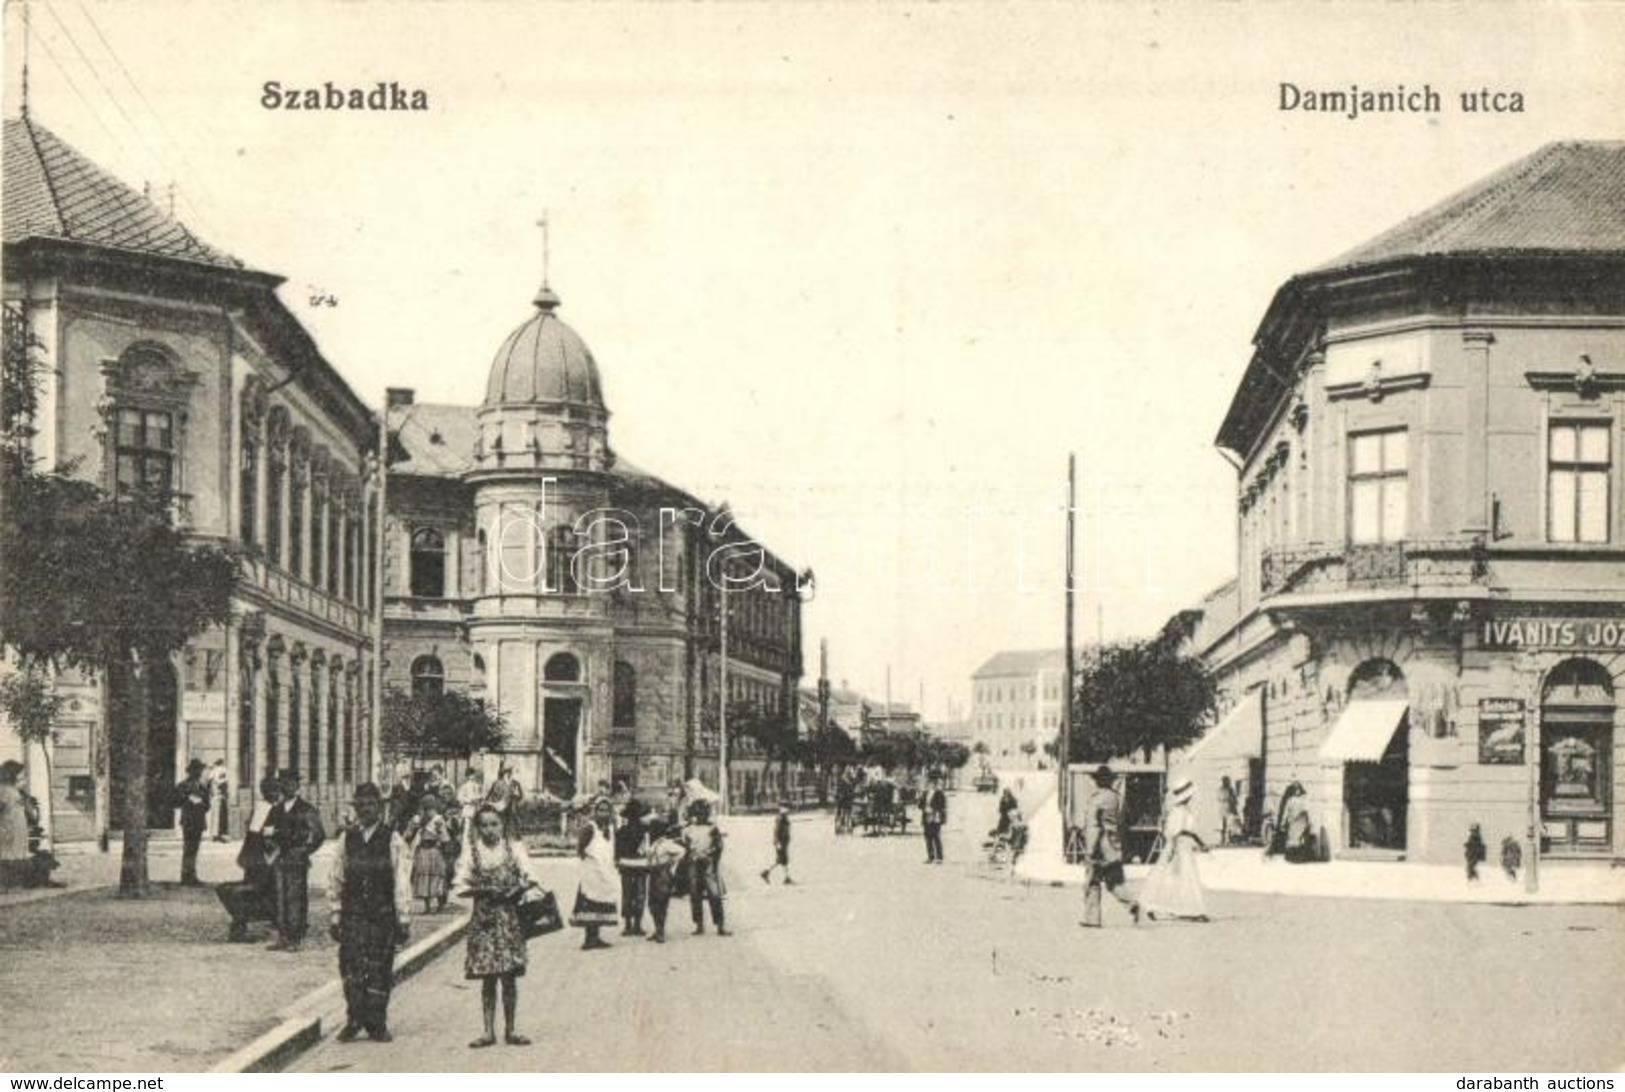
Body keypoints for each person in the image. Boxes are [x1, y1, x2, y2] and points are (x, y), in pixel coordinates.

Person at [327, 782, 412, 1043]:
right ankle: (354, 1019)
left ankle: (376, 1022)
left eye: (371, 804)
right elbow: (336, 877)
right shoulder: (347, 839)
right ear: (356, 808)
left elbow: (401, 878)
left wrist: (403, 915)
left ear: (380, 807)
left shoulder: (392, 838)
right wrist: (335, 912)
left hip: (382, 914)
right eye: (361, 805)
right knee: (351, 965)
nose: (366, 809)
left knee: (379, 966)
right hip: (353, 914)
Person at [453, 803, 542, 1048]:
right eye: (484, 825)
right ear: (477, 828)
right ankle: (487, 1031)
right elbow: (460, 884)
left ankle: (511, 1030)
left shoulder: (513, 849)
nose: (490, 829)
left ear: (502, 825)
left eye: (495, 824)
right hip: (484, 921)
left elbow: (531, 876)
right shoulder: (472, 852)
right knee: (488, 977)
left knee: (509, 977)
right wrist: (482, 889)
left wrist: (518, 888)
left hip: (509, 919)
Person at [264, 770, 326, 951]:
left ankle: (295, 938)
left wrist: (305, 851)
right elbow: (267, 831)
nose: (287, 786)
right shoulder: (276, 810)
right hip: (279, 859)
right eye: (283, 783)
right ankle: (283, 936)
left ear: (297, 786)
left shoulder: (306, 809)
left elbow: (319, 835)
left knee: (295, 898)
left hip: (296, 859)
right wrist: (270, 843)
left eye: (290, 783)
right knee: (280, 897)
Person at [219, 776, 282, 941]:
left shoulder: (260, 807)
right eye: (274, 790)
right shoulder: (271, 810)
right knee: (259, 891)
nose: (277, 794)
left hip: (253, 858)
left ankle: (244, 926)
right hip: (262, 859)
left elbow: (254, 834)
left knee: (258, 891)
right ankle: (242, 927)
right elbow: (266, 838)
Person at [1140, 776, 1209, 922]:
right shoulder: (1180, 811)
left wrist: (1198, 841)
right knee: (1184, 877)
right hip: (1179, 847)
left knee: (1173, 877)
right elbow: (1178, 832)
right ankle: (1193, 910)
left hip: (1181, 846)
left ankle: (1161, 906)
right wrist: (1198, 842)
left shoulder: (1180, 810)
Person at [1080, 765, 1140, 927]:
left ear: (1098, 781)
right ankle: (1131, 902)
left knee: (1092, 881)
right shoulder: (1117, 798)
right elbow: (1124, 821)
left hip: (1098, 846)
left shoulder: (1096, 799)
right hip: (1114, 845)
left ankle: (1092, 918)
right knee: (1114, 882)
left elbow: (1094, 826)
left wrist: (1089, 849)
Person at [571, 797, 620, 949]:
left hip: (604, 871)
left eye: (606, 810)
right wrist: (590, 865)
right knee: (590, 904)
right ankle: (588, 939)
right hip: (592, 873)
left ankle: (596, 937)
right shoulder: (590, 828)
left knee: (601, 904)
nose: (603, 813)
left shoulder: (610, 829)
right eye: (600, 810)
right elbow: (580, 850)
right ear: (595, 812)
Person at [682, 798, 729, 935]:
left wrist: (710, 856)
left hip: (706, 862)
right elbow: (685, 847)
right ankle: (702, 925)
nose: (700, 815)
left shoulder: (712, 829)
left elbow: (719, 846)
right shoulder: (689, 829)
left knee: (713, 894)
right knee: (697, 894)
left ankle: (717, 925)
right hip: (696, 863)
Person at [643, 817, 685, 943]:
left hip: (663, 875)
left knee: (661, 903)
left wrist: (670, 862)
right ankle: (657, 929)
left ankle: (660, 931)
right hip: (654, 874)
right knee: (652, 903)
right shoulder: (655, 843)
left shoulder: (667, 844)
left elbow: (682, 851)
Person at [407, 796, 451, 913]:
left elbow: (445, 838)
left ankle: (439, 903)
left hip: (434, 851)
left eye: (430, 808)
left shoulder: (438, 820)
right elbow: (408, 833)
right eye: (425, 808)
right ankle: (427, 905)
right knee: (423, 876)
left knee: (436, 876)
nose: (428, 811)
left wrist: (441, 840)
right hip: (423, 850)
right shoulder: (419, 819)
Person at [172, 758, 212, 886]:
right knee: (188, 848)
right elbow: (175, 802)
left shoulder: (202, 787)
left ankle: (192, 875)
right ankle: (186, 877)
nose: (199, 772)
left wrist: (200, 803)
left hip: (199, 821)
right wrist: (187, 799)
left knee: (194, 849)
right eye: (197, 770)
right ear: (191, 771)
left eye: (200, 770)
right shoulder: (182, 786)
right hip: (188, 821)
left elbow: (207, 805)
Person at [615, 799, 650, 936]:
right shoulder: (644, 831)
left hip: (628, 866)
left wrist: (618, 862)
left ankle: (629, 925)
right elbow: (647, 849)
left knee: (628, 894)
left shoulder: (621, 831)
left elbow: (617, 852)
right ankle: (636, 925)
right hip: (639, 866)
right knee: (639, 895)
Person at [0, 761, 33, 891]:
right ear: (12, 775)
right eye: (21, 775)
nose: (24, 778)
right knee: (6, 855)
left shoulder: (17, 791)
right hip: (7, 827)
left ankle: (13, 883)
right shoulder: (3, 790)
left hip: (18, 828)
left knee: (16, 854)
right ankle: (4, 884)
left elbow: (28, 812)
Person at [760, 803, 794, 885]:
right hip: (781, 843)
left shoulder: (784, 817)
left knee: (782, 860)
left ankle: (785, 877)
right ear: (781, 809)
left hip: (784, 842)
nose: (787, 810)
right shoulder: (780, 818)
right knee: (781, 860)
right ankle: (766, 873)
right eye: (785, 808)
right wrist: (777, 842)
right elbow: (776, 831)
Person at [922, 776, 947, 864]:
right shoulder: (925, 793)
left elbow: (942, 805)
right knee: (928, 837)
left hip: (936, 817)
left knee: (936, 836)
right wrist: (924, 807)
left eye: (932, 784)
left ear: (935, 785)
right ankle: (930, 857)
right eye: (928, 784)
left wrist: (933, 809)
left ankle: (939, 857)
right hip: (926, 816)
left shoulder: (939, 793)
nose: (930, 785)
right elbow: (920, 804)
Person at [457, 768, 484, 839]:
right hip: (468, 808)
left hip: (476, 808)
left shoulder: (477, 785)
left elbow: (480, 795)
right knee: (467, 828)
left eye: (473, 775)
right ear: (467, 776)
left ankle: (476, 844)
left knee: (476, 828)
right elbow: (460, 798)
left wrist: (479, 799)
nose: (472, 777)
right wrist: (469, 800)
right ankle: (466, 846)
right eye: (470, 775)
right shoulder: (464, 786)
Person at [208, 759, 231, 842]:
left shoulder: (214, 771)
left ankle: (216, 835)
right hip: (220, 796)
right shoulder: (222, 770)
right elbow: (224, 783)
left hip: (216, 796)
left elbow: (210, 781)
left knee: (217, 816)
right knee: (221, 816)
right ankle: (219, 835)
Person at [1217, 775, 1240, 846]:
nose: (1227, 782)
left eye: (1227, 781)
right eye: (1225, 781)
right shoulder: (1220, 790)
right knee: (1222, 825)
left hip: (1229, 808)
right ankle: (1222, 839)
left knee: (1230, 824)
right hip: (1223, 808)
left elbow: (1234, 799)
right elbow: (1220, 797)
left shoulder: (1231, 789)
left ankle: (1229, 839)